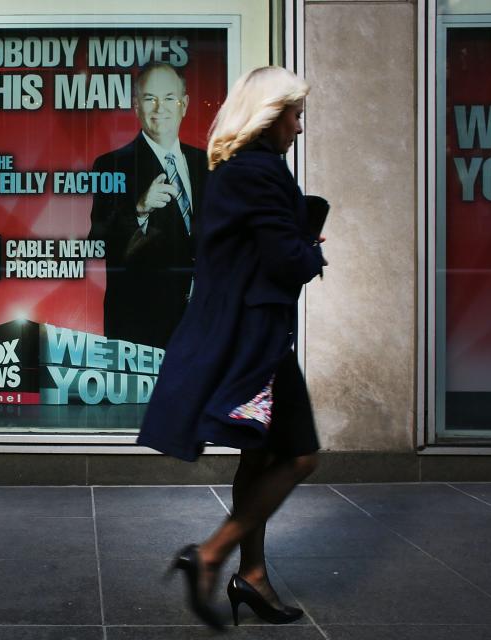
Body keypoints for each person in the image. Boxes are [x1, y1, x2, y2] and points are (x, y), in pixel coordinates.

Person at [137, 66, 326, 629]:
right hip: (256, 340)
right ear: (269, 116)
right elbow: (284, 261)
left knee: (261, 453)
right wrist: (312, 251)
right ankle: (213, 554)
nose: (299, 126)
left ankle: (256, 575)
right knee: (301, 456)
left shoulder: (232, 168)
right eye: (293, 115)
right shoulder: (261, 172)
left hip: (248, 334)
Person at [88, 62, 208, 349]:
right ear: (136, 106)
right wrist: (139, 208)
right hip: (141, 329)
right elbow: (99, 242)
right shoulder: (111, 165)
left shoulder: (207, 164)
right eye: (149, 99)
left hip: (202, 323)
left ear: (184, 105)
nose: (159, 108)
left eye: (169, 98)